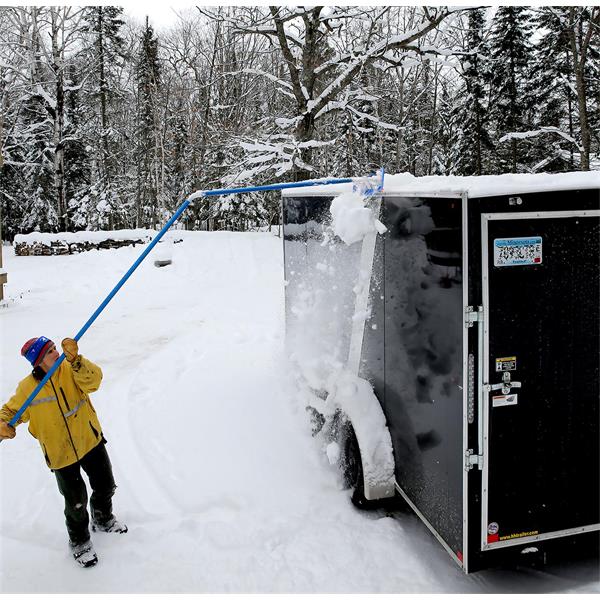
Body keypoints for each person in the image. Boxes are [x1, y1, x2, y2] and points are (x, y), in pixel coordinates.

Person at [0, 336, 127, 568]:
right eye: (49, 352)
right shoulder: (28, 388)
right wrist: (2, 424)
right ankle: (79, 542)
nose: (56, 352)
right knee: (75, 501)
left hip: (89, 440)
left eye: (54, 348)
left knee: (106, 485)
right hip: (60, 453)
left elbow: (95, 381)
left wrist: (77, 360)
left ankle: (103, 518)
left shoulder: (70, 368)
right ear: (38, 361)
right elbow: (10, 411)